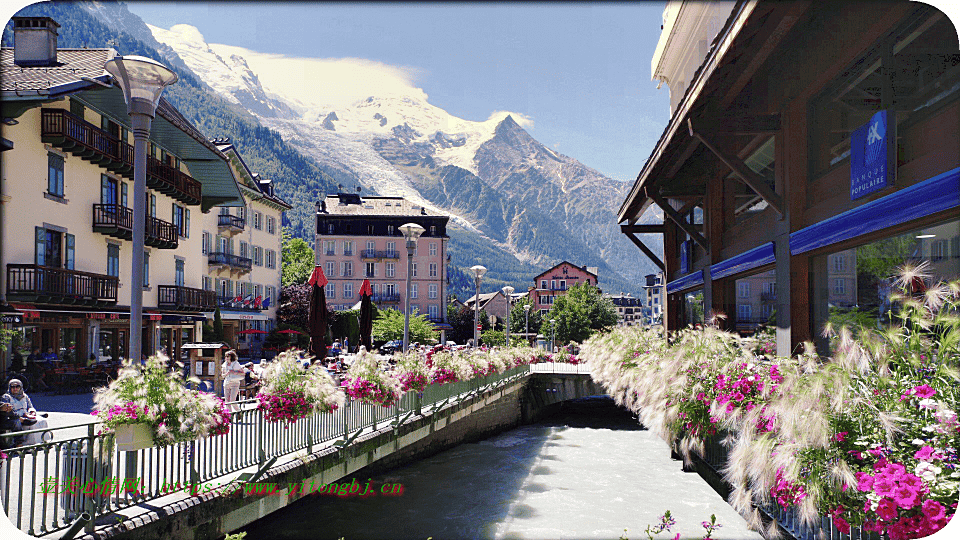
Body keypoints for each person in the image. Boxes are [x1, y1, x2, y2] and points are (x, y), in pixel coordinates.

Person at [1, 379, 51, 446]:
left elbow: (30, 406)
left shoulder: (24, 396)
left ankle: (44, 441)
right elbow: (8, 410)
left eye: (17, 387)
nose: (15, 389)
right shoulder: (6, 397)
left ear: (21, 387)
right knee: (28, 423)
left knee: (42, 420)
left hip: (27, 414)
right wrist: (20, 416)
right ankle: (28, 444)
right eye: (13, 387)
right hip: (15, 416)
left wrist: (32, 412)